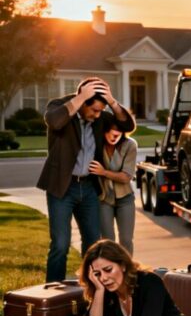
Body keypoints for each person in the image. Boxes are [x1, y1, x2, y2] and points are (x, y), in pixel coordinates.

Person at [37, 77, 135, 282]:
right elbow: (54, 121)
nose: (98, 114)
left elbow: (127, 125)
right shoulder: (59, 107)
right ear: (83, 101)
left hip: (89, 187)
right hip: (62, 187)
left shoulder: (99, 118)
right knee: (61, 244)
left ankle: (90, 289)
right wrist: (81, 97)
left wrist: (112, 101)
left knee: (92, 244)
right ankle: (52, 291)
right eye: (94, 109)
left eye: (101, 110)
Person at [89, 111, 138, 254]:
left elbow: (126, 177)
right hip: (104, 199)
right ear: (104, 130)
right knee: (108, 241)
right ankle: (110, 271)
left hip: (126, 199)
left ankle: (127, 271)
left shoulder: (130, 145)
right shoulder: (96, 145)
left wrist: (103, 172)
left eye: (119, 132)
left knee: (126, 240)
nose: (115, 135)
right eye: (111, 131)